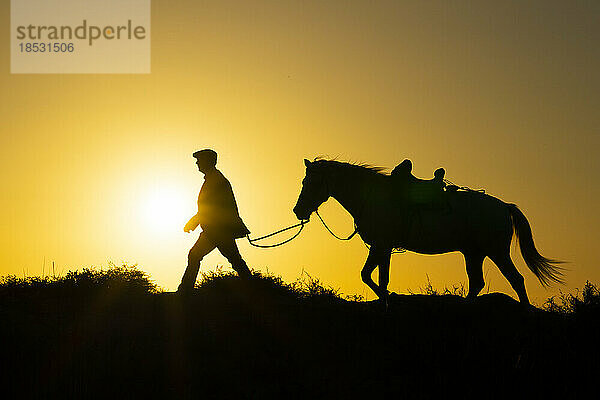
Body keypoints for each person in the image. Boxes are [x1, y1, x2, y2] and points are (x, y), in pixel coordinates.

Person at [178, 149, 251, 293]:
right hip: (217, 229)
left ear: (208, 161)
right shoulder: (215, 179)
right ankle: (253, 285)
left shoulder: (215, 180)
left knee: (195, 255)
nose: (197, 163)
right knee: (234, 259)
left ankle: (185, 290)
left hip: (217, 230)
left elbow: (210, 207)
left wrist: (194, 221)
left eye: (199, 160)